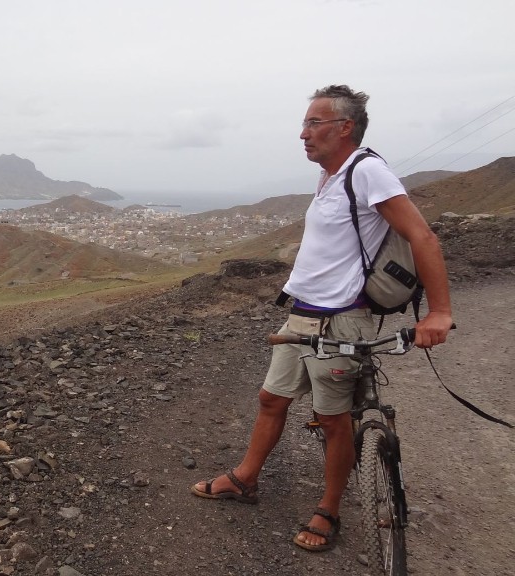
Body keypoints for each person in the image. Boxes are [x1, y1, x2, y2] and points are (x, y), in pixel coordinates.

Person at [190, 85, 454, 552]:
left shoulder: (368, 170)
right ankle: (246, 478)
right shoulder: (332, 177)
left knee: (332, 419)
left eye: (314, 123)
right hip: (302, 315)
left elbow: (423, 237)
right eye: (306, 123)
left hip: (341, 320)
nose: (303, 134)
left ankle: (328, 510)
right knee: (271, 399)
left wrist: (440, 312)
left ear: (345, 127)